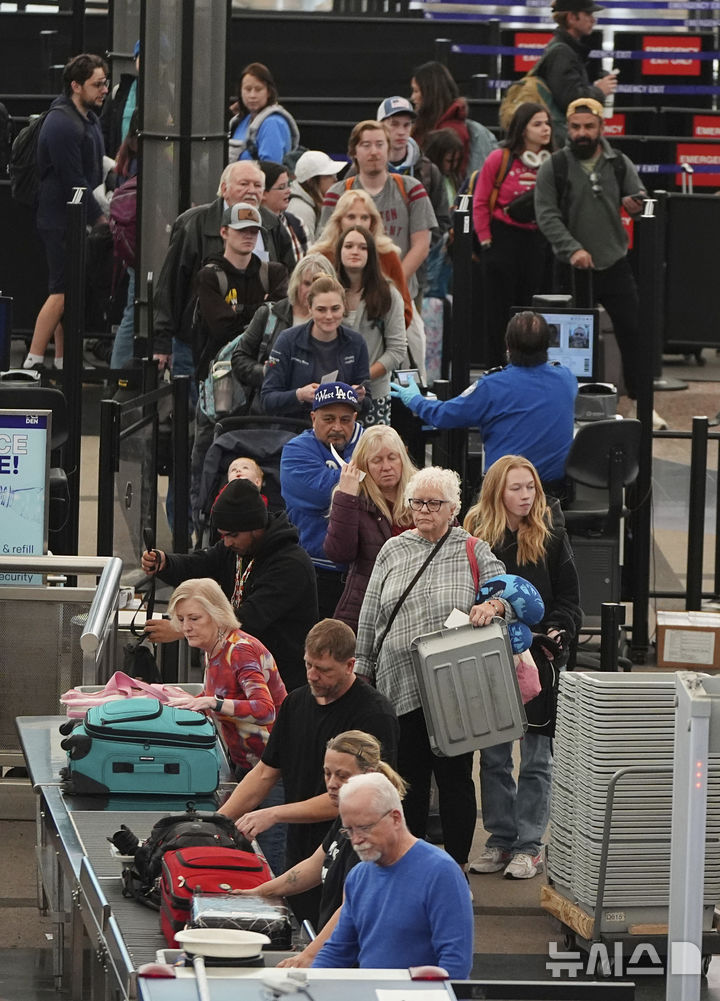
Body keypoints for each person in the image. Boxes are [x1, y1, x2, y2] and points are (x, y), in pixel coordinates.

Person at [355, 466, 511, 872]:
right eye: (417, 502)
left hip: (453, 685)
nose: (423, 510)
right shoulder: (394, 549)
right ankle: (412, 866)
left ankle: (456, 868)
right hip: (398, 679)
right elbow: (370, 612)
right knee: (408, 779)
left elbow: (508, 599)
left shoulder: (472, 549)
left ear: (453, 509)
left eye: (433, 503)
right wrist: (362, 666)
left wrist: (491, 606)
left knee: (456, 776)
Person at [217, 619, 399, 926]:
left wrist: (274, 814)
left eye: (325, 670)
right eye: (308, 665)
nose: (313, 676)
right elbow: (265, 773)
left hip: (354, 855)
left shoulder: (374, 715)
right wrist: (216, 822)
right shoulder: (296, 703)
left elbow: (349, 799)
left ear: (350, 664)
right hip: (304, 852)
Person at [463, 456, 581, 880]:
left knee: (535, 758)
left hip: (539, 658)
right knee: (493, 757)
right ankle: (499, 839)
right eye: (516, 488)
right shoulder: (473, 533)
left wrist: (557, 631)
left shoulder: (550, 533)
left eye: (530, 487)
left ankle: (529, 845)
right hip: (489, 657)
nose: (526, 496)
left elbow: (570, 601)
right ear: (497, 491)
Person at [534, 98, 667, 430]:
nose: (582, 133)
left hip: (614, 262)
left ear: (600, 128)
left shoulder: (619, 162)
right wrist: (572, 248)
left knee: (635, 332)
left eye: (588, 127)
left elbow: (640, 196)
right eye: (576, 127)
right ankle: (562, 405)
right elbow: (546, 216)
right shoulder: (555, 166)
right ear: (568, 128)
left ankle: (642, 402)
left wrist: (637, 204)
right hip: (569, 266)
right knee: (563, 343)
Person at [235, 730, 407, 968]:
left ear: (370, 775)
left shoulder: (376, 831)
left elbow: (352, 907)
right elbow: (316, 865)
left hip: (359, 963)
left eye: (342, 776)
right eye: (327, 773)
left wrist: (310, 955)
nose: (332, 784)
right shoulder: (348, 814)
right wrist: (261, 892)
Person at [142, 477, 317, 692]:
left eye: (232, 535)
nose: (226, 542)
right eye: (222, 535)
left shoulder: (290, 565)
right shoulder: (237, 549)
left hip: (281, 682)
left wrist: (182, 629)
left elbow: (249, 618)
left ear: (255, 526)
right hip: (241, 673)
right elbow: (200, 564)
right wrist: (165, 563)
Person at [165, 577, 288, 874]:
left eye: (194, 618)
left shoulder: (240, 649)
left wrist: (213, 703)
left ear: (218, 615)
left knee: (269, 856)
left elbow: (264, 709)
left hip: (275, 769)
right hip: (246, 766)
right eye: (181, 619)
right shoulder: (214, 649)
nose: (186, 627)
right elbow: (221, 698)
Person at [390, 310, 577, 494]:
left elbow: (442, 416)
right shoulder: (567, 379)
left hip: (504, 498)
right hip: (554, 495)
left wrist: (415, 400)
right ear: (547, 346)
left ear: (508, 347)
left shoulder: (492, 386)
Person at [311, 773, 473, 977]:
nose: (356, 840)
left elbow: (456, 965)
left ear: (395, 818)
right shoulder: (358, 877)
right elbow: (338, 950)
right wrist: (309, 982)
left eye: (364, 828)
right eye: (349, 831)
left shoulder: (441, 873)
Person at [153, 160, 295, 369]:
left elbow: (288, 284)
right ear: (224, 189)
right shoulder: (193, 223)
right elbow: (170, 284)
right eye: (243, 184)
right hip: (196, 344)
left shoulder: (273, 224)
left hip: (259, 349)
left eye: (257, 186)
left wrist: (242, 312)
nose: (251, 191)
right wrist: (161, 341)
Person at [23, 53, 108, 372]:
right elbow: (75, 180)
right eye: (97, 84)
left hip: (71, 218)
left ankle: (63, 361)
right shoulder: (61, 123)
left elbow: (92, 165)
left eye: (105, 82)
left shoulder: (87, 118)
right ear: (76, 85)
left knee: (67, 290)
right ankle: (32, 361)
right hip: (59, 221)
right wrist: (101, 219)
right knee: (61, 290)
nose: (104, 90)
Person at [473, 102, 553, 368]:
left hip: (536, 241)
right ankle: (495, 366)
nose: (546, 129)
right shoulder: (500, 158)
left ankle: (530, 366)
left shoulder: (552, 161)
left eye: (547, 123)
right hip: (501, 240)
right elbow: (481, 201)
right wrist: (486, 240)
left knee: (531, 309)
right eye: (537, 124)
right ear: (522, 130)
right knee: (498, 313)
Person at [319, 120, 436, 302]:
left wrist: (391, 285)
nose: (374, 151)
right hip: (347, 298)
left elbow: (421, 246)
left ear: (389, 150)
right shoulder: (338, 193)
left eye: (380, 145)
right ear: (354, 152)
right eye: (366, 145)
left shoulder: (411, 189)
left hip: (402, 294)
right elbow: (326, 246)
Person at [279, 383, 363, 619]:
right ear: (313, 417)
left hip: (363, 572)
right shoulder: (296, 450)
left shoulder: (371, 442)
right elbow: (318, 494)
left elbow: (393, 483)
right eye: (328, 419)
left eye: (345, 420)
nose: (337, 427)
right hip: (314, 571)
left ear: (355, 418)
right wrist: (363, 478)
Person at [324, 425, 415, 635]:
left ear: (403, 457)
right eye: (377, 460)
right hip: (368, 611)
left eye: (392, 458)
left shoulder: (423, 491)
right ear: (362, 465)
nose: (386, 466)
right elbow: (339, 553)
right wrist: (346, 497)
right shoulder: (352, 497)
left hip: (417, 605)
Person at [230, 254, 336, 415]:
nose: (312, 290)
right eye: (307, 283)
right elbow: (239, 359)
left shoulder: (336, 323)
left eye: (318, 284)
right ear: (296, 284)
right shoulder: (269, 315)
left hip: (313, 417)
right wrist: (266, 372)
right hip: (266, 417)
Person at [260, 274, 371, 418]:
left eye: (335, 308)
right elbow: (267, 400)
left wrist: (358, 397)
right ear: (310, 308)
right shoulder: (287, 340)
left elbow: (367, 403)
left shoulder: (356, 343)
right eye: (321, 310)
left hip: (341, 428)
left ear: (344, 307)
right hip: (294, 428)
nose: (329, 316)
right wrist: (300, 395)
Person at [335, 225, 407, 425]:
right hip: (332, 397)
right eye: (348, 246)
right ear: (339, 251)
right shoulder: (328, 291)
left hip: (374, 395)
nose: (355, 251)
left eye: (362, 247)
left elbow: (397, 350)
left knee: (371, 454)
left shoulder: (389, 294)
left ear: (371, 254)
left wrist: (362, 378)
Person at [310, 189, 412, 329]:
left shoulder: (387, 255)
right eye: (351, 217)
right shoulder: (321, 256)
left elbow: (405, 310)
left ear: (373, 222)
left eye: (364, 218)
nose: (358, 223)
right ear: (339, 221)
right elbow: (304, 303)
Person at [540, 0, 618, 143]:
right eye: (588, 13)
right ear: (571, 17)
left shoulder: (566, 49)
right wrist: (599, 91)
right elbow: (570, 100)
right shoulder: (562, 52)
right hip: (559, 138)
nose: (593, 19)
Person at [375, 95, 451, 242]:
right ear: (379, 126)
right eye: (394, 124)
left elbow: (441, 220)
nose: (401, 131)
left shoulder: (429, 171)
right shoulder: (363, 169)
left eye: (406, 125)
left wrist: (420, 249)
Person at [411, 61, 476, 178]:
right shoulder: (424, 124)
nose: (412, 97)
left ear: (429, 93)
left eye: (416, 91)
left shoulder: (453, 131)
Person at [228, 62, 299, 164]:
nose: (252, 95)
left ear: (269, 92)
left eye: (258, 89)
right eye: (247, 89)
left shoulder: (272, 123)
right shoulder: (240, 121)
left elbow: (271, 169)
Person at [288, 150, 345, 245]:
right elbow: (305, 255)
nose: (335, 179)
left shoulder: (309, 204)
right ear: (311, 181)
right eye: (329, 175)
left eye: (335, 175)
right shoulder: (302, 210)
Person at [259, 160, 307, 264]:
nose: (288, 191)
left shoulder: (296, 223)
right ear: (262, 193)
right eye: (281, 187)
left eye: (288, 185)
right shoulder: (254, 228)